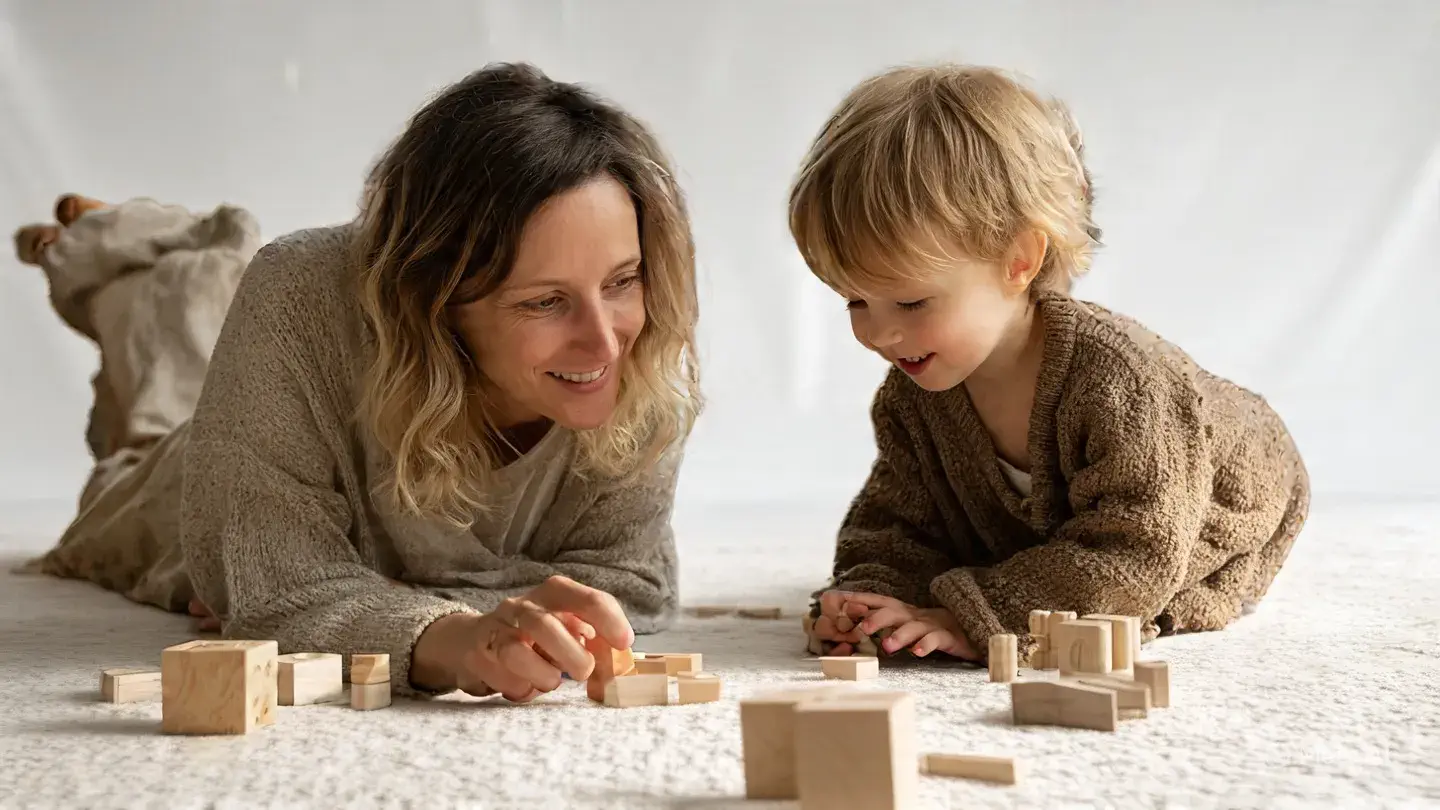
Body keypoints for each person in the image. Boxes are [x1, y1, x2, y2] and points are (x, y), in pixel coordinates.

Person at [18, 62, 702, 702]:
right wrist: (447, 631)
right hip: (184, 486)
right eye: (543, 301)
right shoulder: (296, 292)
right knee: (138, 441)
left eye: (621, 280)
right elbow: (280, 593)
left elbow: (632, 584)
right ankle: (123, 253)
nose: (605, 338)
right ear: (436, 303)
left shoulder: (641, 344)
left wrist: (380, 594)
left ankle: (190, 265)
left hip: (293, 423)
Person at [788, 64, 1309, 664]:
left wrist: (974, 614)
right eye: (855, 300)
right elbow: (897, 519)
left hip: (1226, 492)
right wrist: (869, 596)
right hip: (1112, 512)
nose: (878, 332)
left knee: (1150, 588)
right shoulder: (915, 391)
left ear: (1018, 260)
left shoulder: (1120, 381)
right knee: (988, 549)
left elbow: (1137, 551)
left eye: (910, 300)